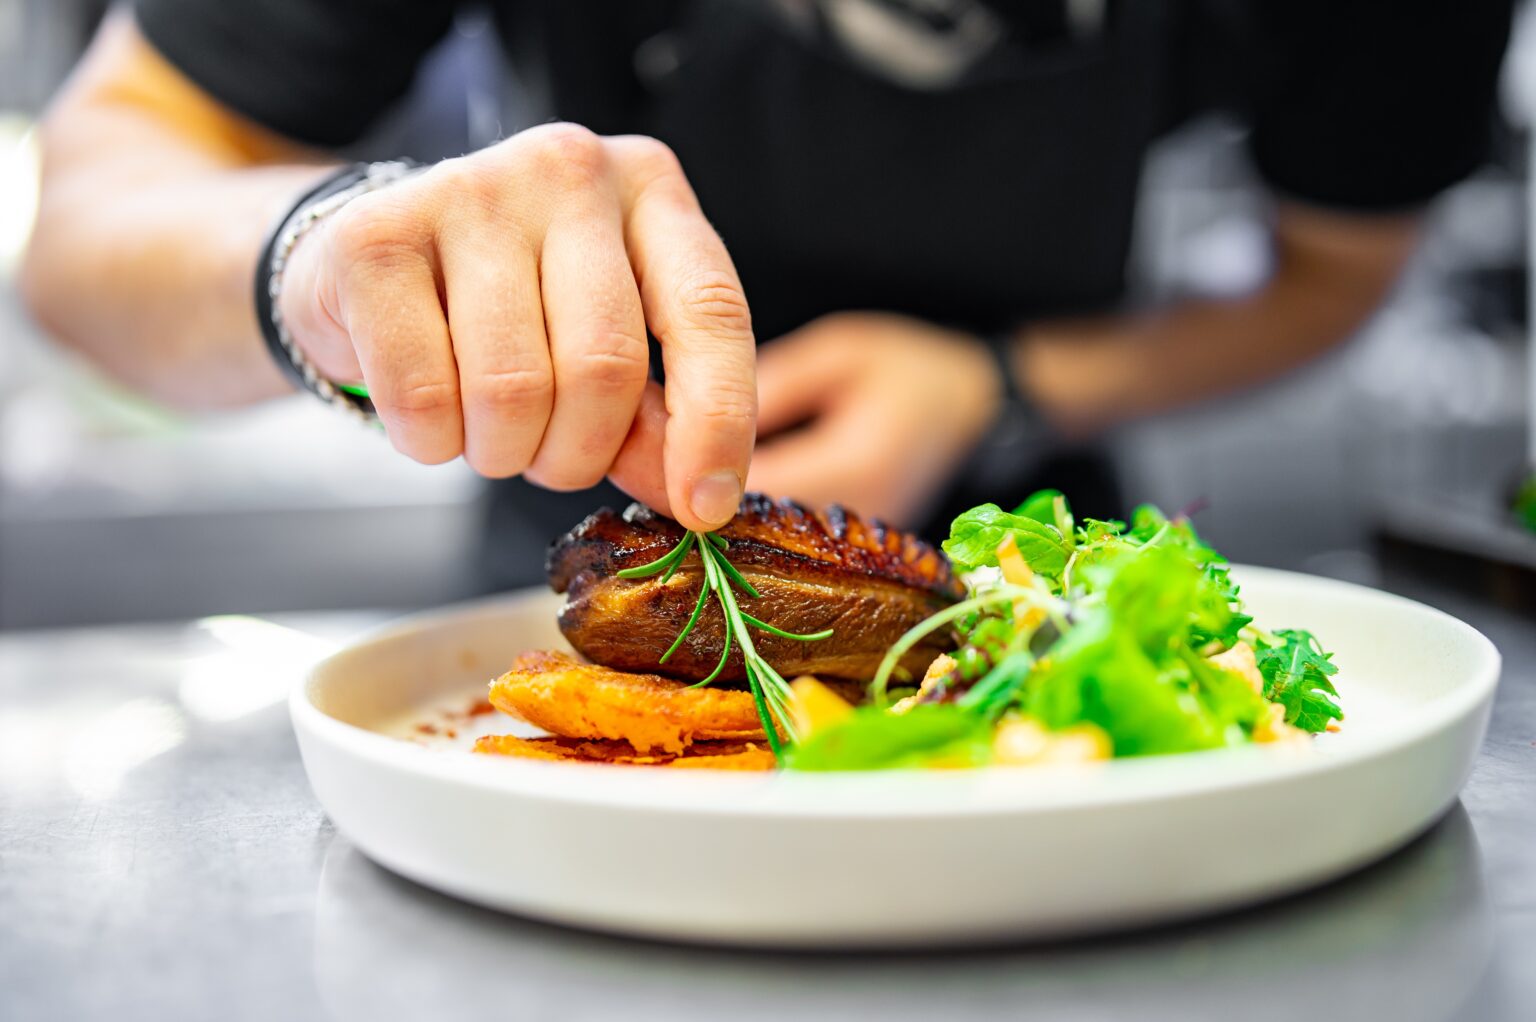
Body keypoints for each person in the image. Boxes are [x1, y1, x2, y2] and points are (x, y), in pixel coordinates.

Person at [20, 1, 1512, 587]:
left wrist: (1001, 383)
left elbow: (1331, 271)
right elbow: (88, 226)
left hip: (1035, 578)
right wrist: (317, 257)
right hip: (562, 575)